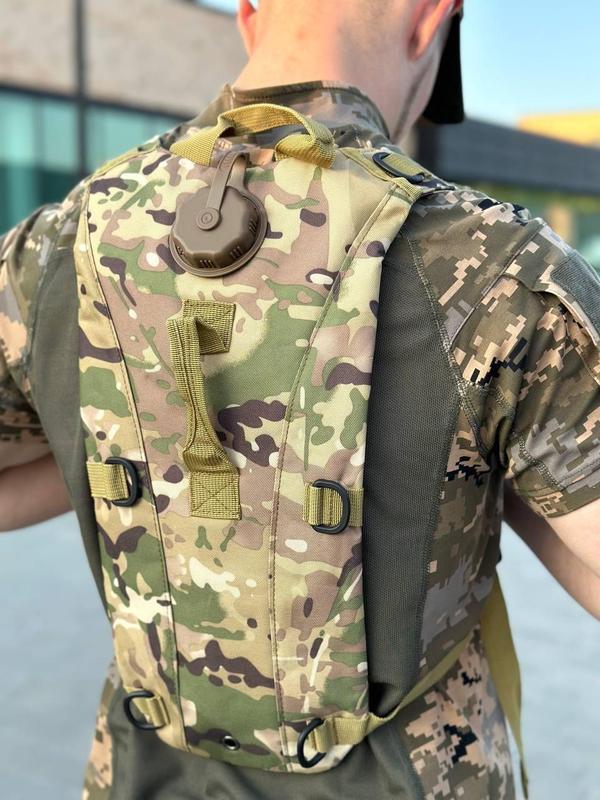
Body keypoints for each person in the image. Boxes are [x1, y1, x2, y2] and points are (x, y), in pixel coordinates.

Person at [1, 1, 599, 798]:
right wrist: (493, 460)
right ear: (431, 20)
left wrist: (116, 442)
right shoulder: (493, 266)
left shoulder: (57, 245)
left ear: (249, 13)